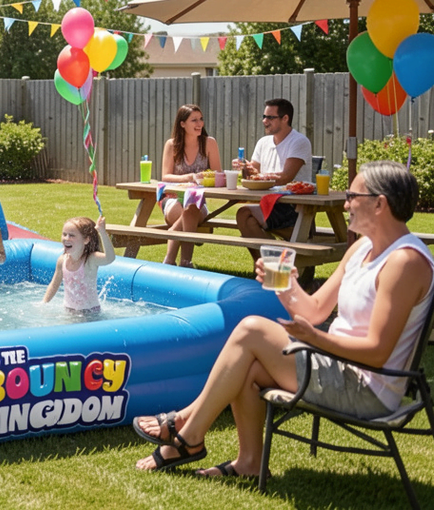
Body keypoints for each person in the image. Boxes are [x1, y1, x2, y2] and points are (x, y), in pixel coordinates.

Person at [132, 161, 432, 477]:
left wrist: (316, 338)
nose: (345, 204)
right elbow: (315, 310)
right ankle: (246, 463)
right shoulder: (362, 250)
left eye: (352, 196)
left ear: (380, 204)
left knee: (251, 328)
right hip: (336, 366)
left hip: (366, 388)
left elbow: (377, 351)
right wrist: (284, 285)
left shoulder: (404, 262)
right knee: (249, 367)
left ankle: (187, 430)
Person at [234, 98, 313, 259]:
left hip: (293, 207)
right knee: (245, 218)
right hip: (268, 202)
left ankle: (272, 263)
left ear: (285, 119)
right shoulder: (263, 142)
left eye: (270, 117)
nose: (265, 121)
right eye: (264, 117)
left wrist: (259, 176)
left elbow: (285, 177)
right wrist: (245, 167)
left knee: (245, 215)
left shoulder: (299, 141)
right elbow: (252, 176)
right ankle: (269, 266)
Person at [159, 105, 222, 268]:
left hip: (198, 201)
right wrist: (190, 177)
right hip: (173, 198)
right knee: (187, 215)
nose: (199, 123)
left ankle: (170, 260)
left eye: (201, 119)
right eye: (194, 120)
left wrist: (206, 177)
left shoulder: (209, 143)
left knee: (191, 209)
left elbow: (217, 175)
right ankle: (186, 263)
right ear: (182, 124)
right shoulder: (172, 145)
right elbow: (165, 176)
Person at [42, 216, 114, 314]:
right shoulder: (62, 260)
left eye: (72, 235)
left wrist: (102, 232)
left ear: (86, 240)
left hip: (90, 314)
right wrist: (44, 303)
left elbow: (109, 258)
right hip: (68, 311)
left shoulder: (90, 260)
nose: (67, 238)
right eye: (64, 234)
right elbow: (54, 285)